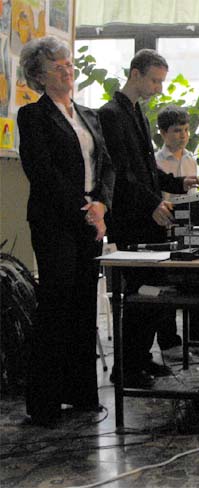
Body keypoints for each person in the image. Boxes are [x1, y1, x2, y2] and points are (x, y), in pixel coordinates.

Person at [17, 36, 115, 426]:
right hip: (56, 220)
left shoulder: (90, 115)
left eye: (69, 65)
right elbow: (42, 172)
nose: (67, 71)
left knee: (83, 306)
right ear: (39, 76)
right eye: (57, 67)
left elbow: (106, 166)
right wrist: (84, 210)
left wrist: (102, 204)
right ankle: (45, 403)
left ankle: (81, 393)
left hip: (91, 217)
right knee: (57, 305)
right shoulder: (33, 116)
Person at [98, 50, 199, 387]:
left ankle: (140, 358)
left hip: (145, 214)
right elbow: (122, 172)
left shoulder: (137, 111)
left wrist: (176, 183)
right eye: (155, 80)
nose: (159, 88)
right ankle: (125, 368)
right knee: (139, 294)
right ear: (135, 74)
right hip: (129, 218)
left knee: (153, 293)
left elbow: (147, 169)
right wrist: (154, 202)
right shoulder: (110, 114)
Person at [154, 105, 199, 356]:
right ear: (163, 133)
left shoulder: (190, 160)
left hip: (187, 227)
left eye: (186, 130)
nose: (183, 135)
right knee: (167, 287)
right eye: (177, 130)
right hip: (164, 227)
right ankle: (169, 342)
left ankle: (197, 338)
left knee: (196, 281)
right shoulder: (156, 161)